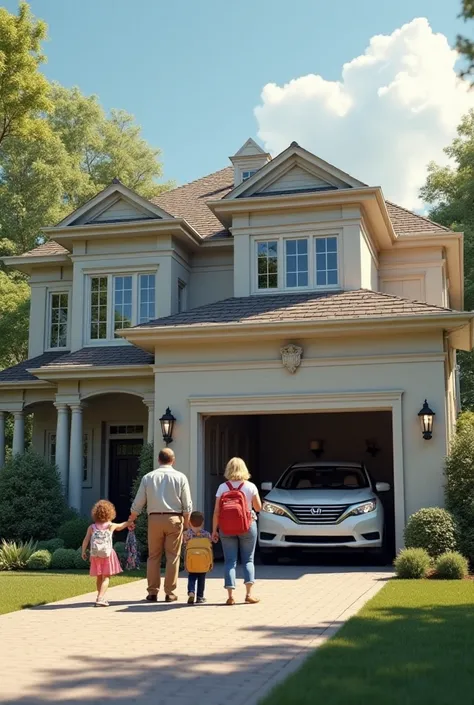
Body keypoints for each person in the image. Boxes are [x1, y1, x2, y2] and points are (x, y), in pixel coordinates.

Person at [129, 447, 192, 603]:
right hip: (174, 518)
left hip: (154, 518)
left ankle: (152, 592)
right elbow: (187, 504)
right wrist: (187, 526)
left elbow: (138, 502)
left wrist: (132, 518)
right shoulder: (180, 477)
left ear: (158, 460)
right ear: (173, 460)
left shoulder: (148, 477)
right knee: (173, 556)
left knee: (153, 556)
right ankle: (170, 592)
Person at [212, 457, 262, 606]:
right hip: (247, 525)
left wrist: (214, 530)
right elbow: (258, 508)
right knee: (248, 560)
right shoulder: (250, 486)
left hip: (226, 528)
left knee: (230, 561)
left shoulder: (222, 487)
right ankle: (249, 594)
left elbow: (216, 511)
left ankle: (230, 596)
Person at [81, 499, 133, 607]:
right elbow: (122, 525)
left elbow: (86, 540)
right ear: (110, 512)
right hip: (107, 554)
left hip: (95, 555)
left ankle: (99, 596)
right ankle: (100, 598)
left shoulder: (92, 527)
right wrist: (130, 522)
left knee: (99, 577)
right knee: (106, 577)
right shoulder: (110, 525)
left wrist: (83, 551)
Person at [183, 511, 214, 605]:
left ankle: (191, 591)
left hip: (191, 561)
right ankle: (200, 597)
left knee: (191, 577)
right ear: (202, 522)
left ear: (190, 522)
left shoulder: (186, 534)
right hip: (203, 562)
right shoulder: (206, 534)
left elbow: (184, 544)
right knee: (201, 579)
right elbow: (210, 545)